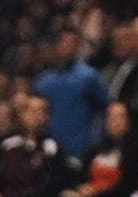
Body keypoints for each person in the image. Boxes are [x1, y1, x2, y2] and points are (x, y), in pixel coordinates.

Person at [32, 29, 110, 159]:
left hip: (79, 149)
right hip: (48, 148)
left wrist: (96, 140)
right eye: (64, 42)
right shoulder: (43, 81)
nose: (68, 47)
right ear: (56, 45)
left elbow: (106, 108)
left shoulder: (89, 76)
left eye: (73, 43)